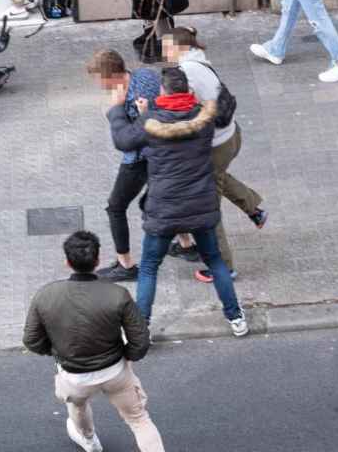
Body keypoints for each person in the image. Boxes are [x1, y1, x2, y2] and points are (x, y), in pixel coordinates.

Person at [107, 66, 249, 337]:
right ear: (189, 91)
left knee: (149, 267)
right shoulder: (204, 119)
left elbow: (124, 140)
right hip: (200, 206)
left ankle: (141, 327)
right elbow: (183, 122)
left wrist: (118, 110)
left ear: (163, 91)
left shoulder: (151, 121)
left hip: (164, 209)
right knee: (215, 261)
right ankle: (236, 318)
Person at [24, 231, 165, 452]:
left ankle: (89, 442)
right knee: (139, 420)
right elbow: (141, 340)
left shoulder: (45, 295)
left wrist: (57, 352)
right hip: (115, 372)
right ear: (98, 260)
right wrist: (127, 356)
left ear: (67, 262)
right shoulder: (117, 294)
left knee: (77, 406)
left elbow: (31, 340)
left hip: (74, 376)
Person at [162, 27, 269, 283]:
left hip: (215, 146)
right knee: (217, 176)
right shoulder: (201, 63)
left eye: (167, 47)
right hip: (231, 136)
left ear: (180, 47)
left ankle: (224, 266)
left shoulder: (186, 74)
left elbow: (181, 111)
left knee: (207, 207)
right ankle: (254, 209)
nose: (164, 52)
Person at [86, 49, 161, 282]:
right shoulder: (145, 75)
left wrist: (114, 111)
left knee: (116, 207)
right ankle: (186, 244)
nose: (98, 84)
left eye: (99, 78)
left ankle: (126, 265)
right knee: (154, 203)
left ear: (110, 75)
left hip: (139, 159)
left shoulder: (127, 98)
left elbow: (126, 140)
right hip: (161, 153)